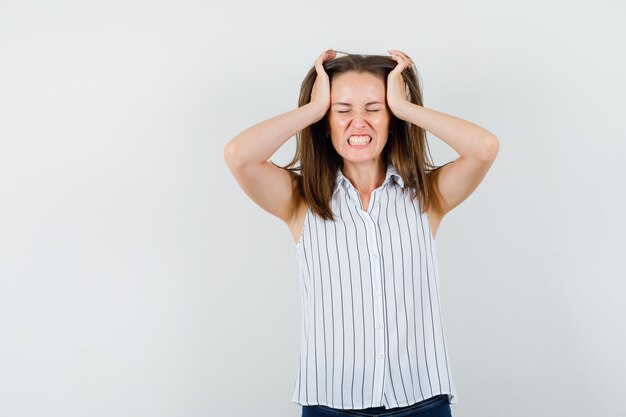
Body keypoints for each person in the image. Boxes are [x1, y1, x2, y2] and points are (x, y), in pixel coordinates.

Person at [223, 49, 499, 417]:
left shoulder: (427, 197)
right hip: (329, 403)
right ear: (326, 120)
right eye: (342, 110)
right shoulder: (301, 200)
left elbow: (484, 148)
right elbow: (239, 155)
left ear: (391, 118)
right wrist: (313, 107)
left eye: (374, 108)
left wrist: (406, 107)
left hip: (421, 401)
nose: (359, 122)